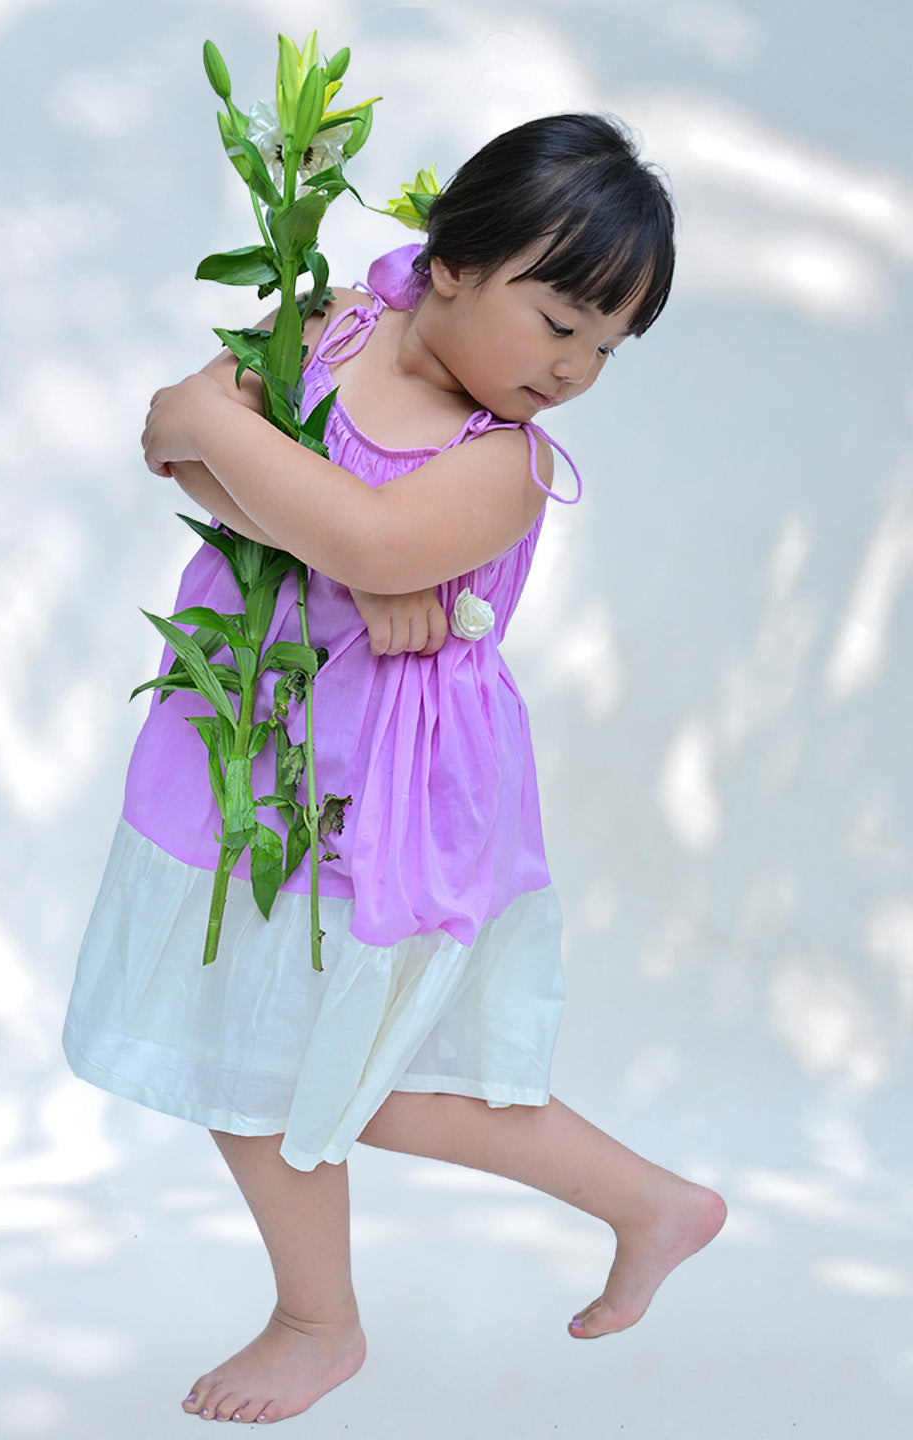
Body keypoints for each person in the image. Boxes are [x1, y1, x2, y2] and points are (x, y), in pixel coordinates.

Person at [63, 113, 727, 1425]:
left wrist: (328, 522)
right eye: (562, 319)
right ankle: (588, 1224)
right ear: (454, 260)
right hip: (252, 743)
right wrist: (327, 535)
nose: (580, 365)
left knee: (364, 1079)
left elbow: (321, 506)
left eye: (609, 344)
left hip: (384, 789)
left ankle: (348, 1310)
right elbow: (178, 452)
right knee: (244, 1051)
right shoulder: (332, 326)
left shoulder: (504, 467)